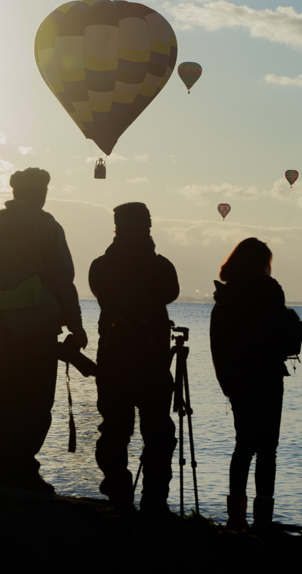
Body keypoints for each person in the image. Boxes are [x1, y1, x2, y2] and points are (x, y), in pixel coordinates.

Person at [0, 167, 87, 492]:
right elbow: (62, 279)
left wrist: (2, 316)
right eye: (43, 189)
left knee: (4, 398)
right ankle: (24, 469)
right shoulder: (47, 227)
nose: (45, 195)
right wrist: (76, 324)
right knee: (36, 401)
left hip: (6, 327)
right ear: (37, 192)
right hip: (39, 328)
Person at [210, 237, 302, 532]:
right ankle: (262, 522)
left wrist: (227, 383)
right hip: (266, 378)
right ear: (260, 264)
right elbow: (281, 337)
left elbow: (220, 346)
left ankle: (236, 519)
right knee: (267, 450)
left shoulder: (225, 299)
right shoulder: (268, 293)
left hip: (237, 381)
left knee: (244, 447)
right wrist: (295, 329)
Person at [89, 202, 179, 516]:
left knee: (114, 430)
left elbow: (104, 295)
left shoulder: (100, 266)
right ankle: (154, 502)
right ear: (148, 228)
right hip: (152, 361)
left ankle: (118, 495)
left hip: (113, 358)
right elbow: (170, 293)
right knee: (158, 433)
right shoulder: (161, 267)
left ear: (116, 227)